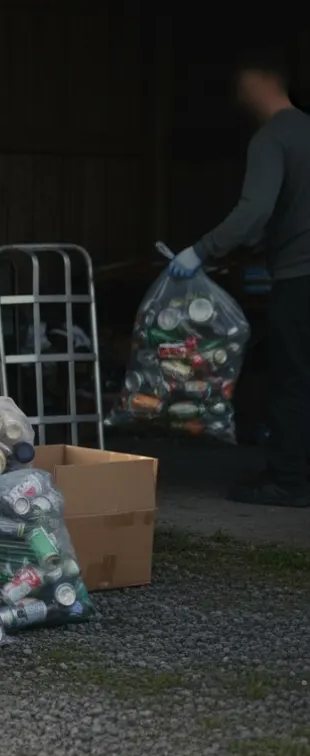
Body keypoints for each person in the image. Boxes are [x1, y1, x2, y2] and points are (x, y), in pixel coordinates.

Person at [168, 52, 310, 506]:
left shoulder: (272, 137)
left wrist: (201, 250)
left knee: (292, 379)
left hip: (300, 276)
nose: (237, 91)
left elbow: (254, 211)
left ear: (262, 78)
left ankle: (288, 481)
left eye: (242, 79)